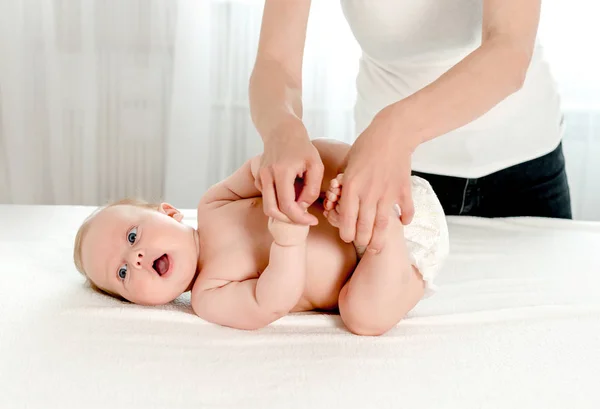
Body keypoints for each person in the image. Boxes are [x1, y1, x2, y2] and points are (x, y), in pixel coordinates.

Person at [248, 0, 572, 257]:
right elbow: (275, 60)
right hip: (398, 180)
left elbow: (508, 51)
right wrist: (282, 128)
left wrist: (396, 129)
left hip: (525, 172)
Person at [73, 139, 448, 336]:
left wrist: (295, 184)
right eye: (122, 274)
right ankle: (385, 229)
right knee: (363, 317)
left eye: (133, 235)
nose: (135, 258)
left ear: (168, 212)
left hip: (376, 195)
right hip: (388, 263)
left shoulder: (213, 204)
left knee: (308, 153)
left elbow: (259, 169)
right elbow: (269, 301)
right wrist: (287, 243)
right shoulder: (208, 296)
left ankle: (356, 177)